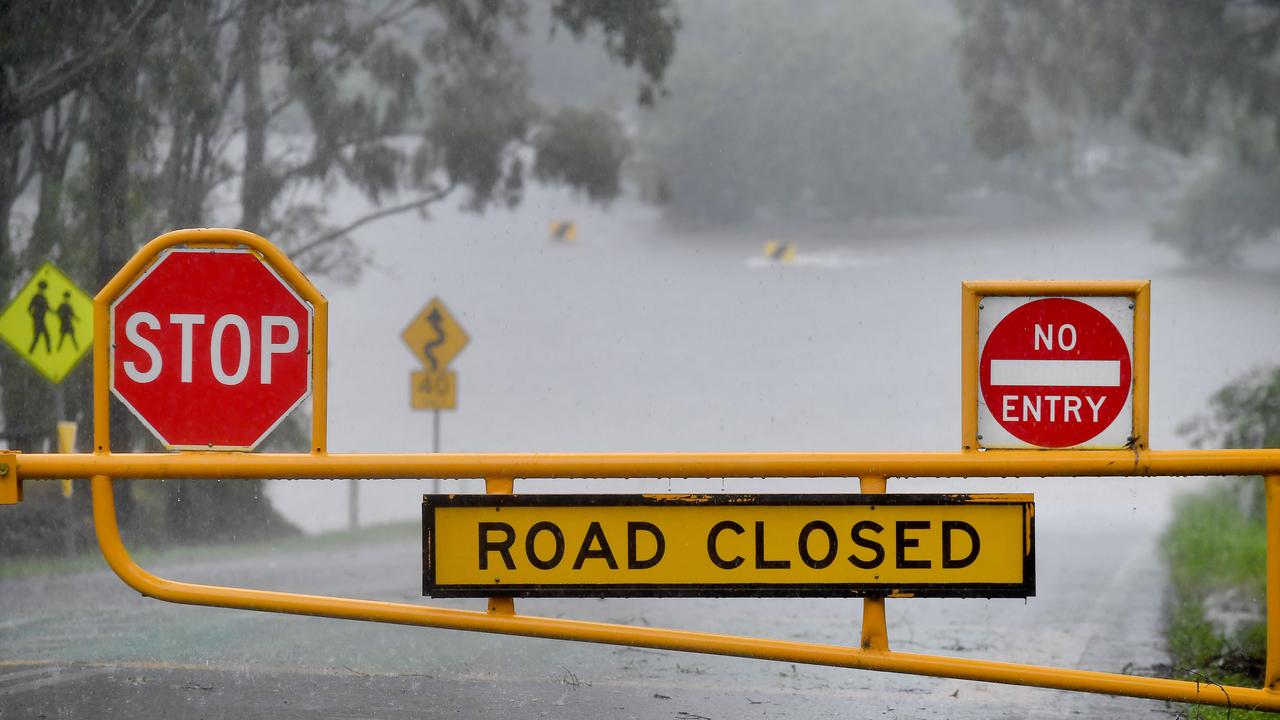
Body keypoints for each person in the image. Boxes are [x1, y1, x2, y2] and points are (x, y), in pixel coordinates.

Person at [27, 280, 51, 354]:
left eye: (43, 288)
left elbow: (48, 308)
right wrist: (33, 316)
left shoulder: (44, 298)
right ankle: (30, 352)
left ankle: (48, 352)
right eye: (41, 288)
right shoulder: (36, 296)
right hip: (37, 320)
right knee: (37, 338)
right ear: (39, 288)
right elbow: (29, 307)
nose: (42, 289)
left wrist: (57, 313)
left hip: (42, 320)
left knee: (46, 336)